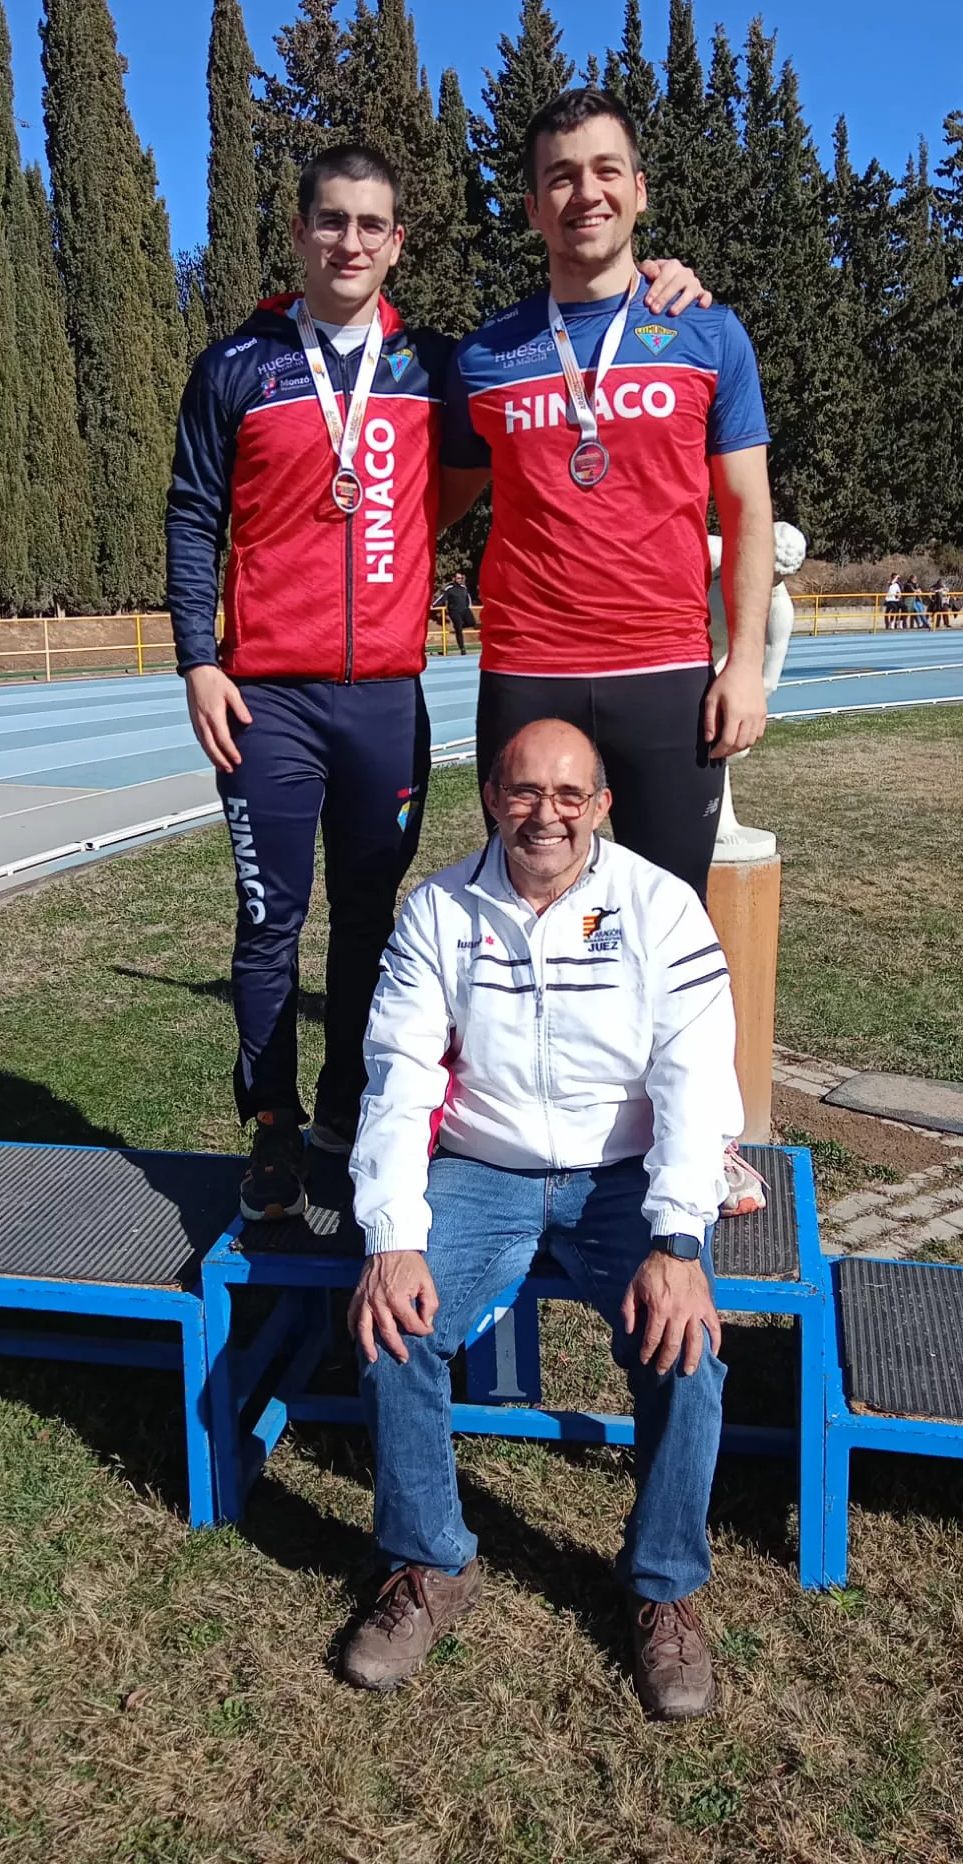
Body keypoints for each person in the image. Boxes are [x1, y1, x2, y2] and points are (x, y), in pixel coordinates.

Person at [166, 141, 709, 1218]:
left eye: (372, 225)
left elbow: (555, 350)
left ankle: (343, 1104)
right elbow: (193, 513)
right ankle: (271, 1120)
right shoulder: (237, 365)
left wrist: (664, 280)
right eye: (332, 221)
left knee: (376, 917)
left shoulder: (437, 367)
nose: (351, 242)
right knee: (269, 918)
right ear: (300, 232)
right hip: (266, 696)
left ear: (397, 241)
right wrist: (198, 656)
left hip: (384, 698)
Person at [342, 718, 741, 1720]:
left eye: (570, 794)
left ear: (602, 805)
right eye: (524, 791)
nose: (545, 813)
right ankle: (429, 1562)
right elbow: (396, 1076)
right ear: (489, 796)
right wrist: (392, 1235)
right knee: (397, 1326)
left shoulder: (661, 905)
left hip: (623, 1174)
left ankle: (665, 1586)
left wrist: (679, 1237)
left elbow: (696, 1080)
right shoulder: (436, 908)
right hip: (487, 1165)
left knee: (686, 1343)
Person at [439, 86, 775, 907]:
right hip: (526, 671)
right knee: (524, 912)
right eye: (560, 177)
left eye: (604, 170)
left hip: (665, 674)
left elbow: (748, 509)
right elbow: (427, 509)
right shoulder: (484, 356)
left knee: (669, 919)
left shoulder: (708, 333)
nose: (584, 193)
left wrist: (744, 666)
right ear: (531, 206)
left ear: (639, 188)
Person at [432, 570, 478, 654]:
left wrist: (469, 606)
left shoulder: (464, 588)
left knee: (472, 622)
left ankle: (458, 627)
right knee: (459, 630)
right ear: (454, 579)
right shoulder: (449, 588)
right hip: (454, 611)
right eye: (458, 578)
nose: (460, 580)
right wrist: (433, 605)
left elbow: (468, 597)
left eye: (461, 578)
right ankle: (462, 648)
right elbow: (442, 598)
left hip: (464, 610)